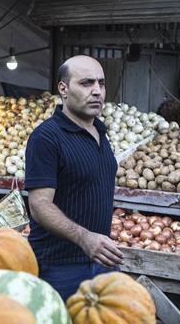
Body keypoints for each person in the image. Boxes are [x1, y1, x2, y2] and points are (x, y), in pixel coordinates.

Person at [25, 55, 123, 301]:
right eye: (87, 83)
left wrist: (95, 242)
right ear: (63, 89)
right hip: (59, 267)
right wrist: (84, 237)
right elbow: (39, 205)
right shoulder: (46, 138)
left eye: (101, 83)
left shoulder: (100, 132)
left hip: (101, 260)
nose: (97, 91)